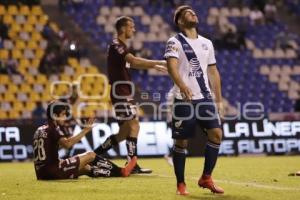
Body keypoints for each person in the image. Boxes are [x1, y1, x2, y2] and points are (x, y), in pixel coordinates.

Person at [93, 16, 167, 174]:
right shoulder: (116, 45)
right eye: (131, 27)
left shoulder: (120, 47)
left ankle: (94, 155)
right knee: (135, 125)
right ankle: (132, 163)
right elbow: (133, 61)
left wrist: (153, 66)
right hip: (121, 92)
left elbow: (131, 65)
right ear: (123, 29)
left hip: (123, 91)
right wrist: (158, 62)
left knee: (123, 133)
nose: (134, 29)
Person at [164, 5, 224, 195]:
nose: (193, 13)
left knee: (216, 134)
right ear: (180, 21)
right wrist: (182, 85)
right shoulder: (174, 42)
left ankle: (206, 177)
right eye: (188, 13)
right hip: (184, 99)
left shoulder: (207, 43)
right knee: (181, 142)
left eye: (194, 12)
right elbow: (172, 67)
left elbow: (213, 71)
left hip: (205, 97)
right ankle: (180, 184)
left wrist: (219, 100)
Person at [33, 101, 137, 180]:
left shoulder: (39, 129)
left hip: (42, 173)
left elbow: (48, 151)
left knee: (86, 168)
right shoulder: (54, 129)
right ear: (55, 116)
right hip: (53, 171)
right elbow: (67, 144)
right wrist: (85, 130)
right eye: (63, 115)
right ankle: (121, 171)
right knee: (90, 155)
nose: (65, 117)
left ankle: (119, 174)